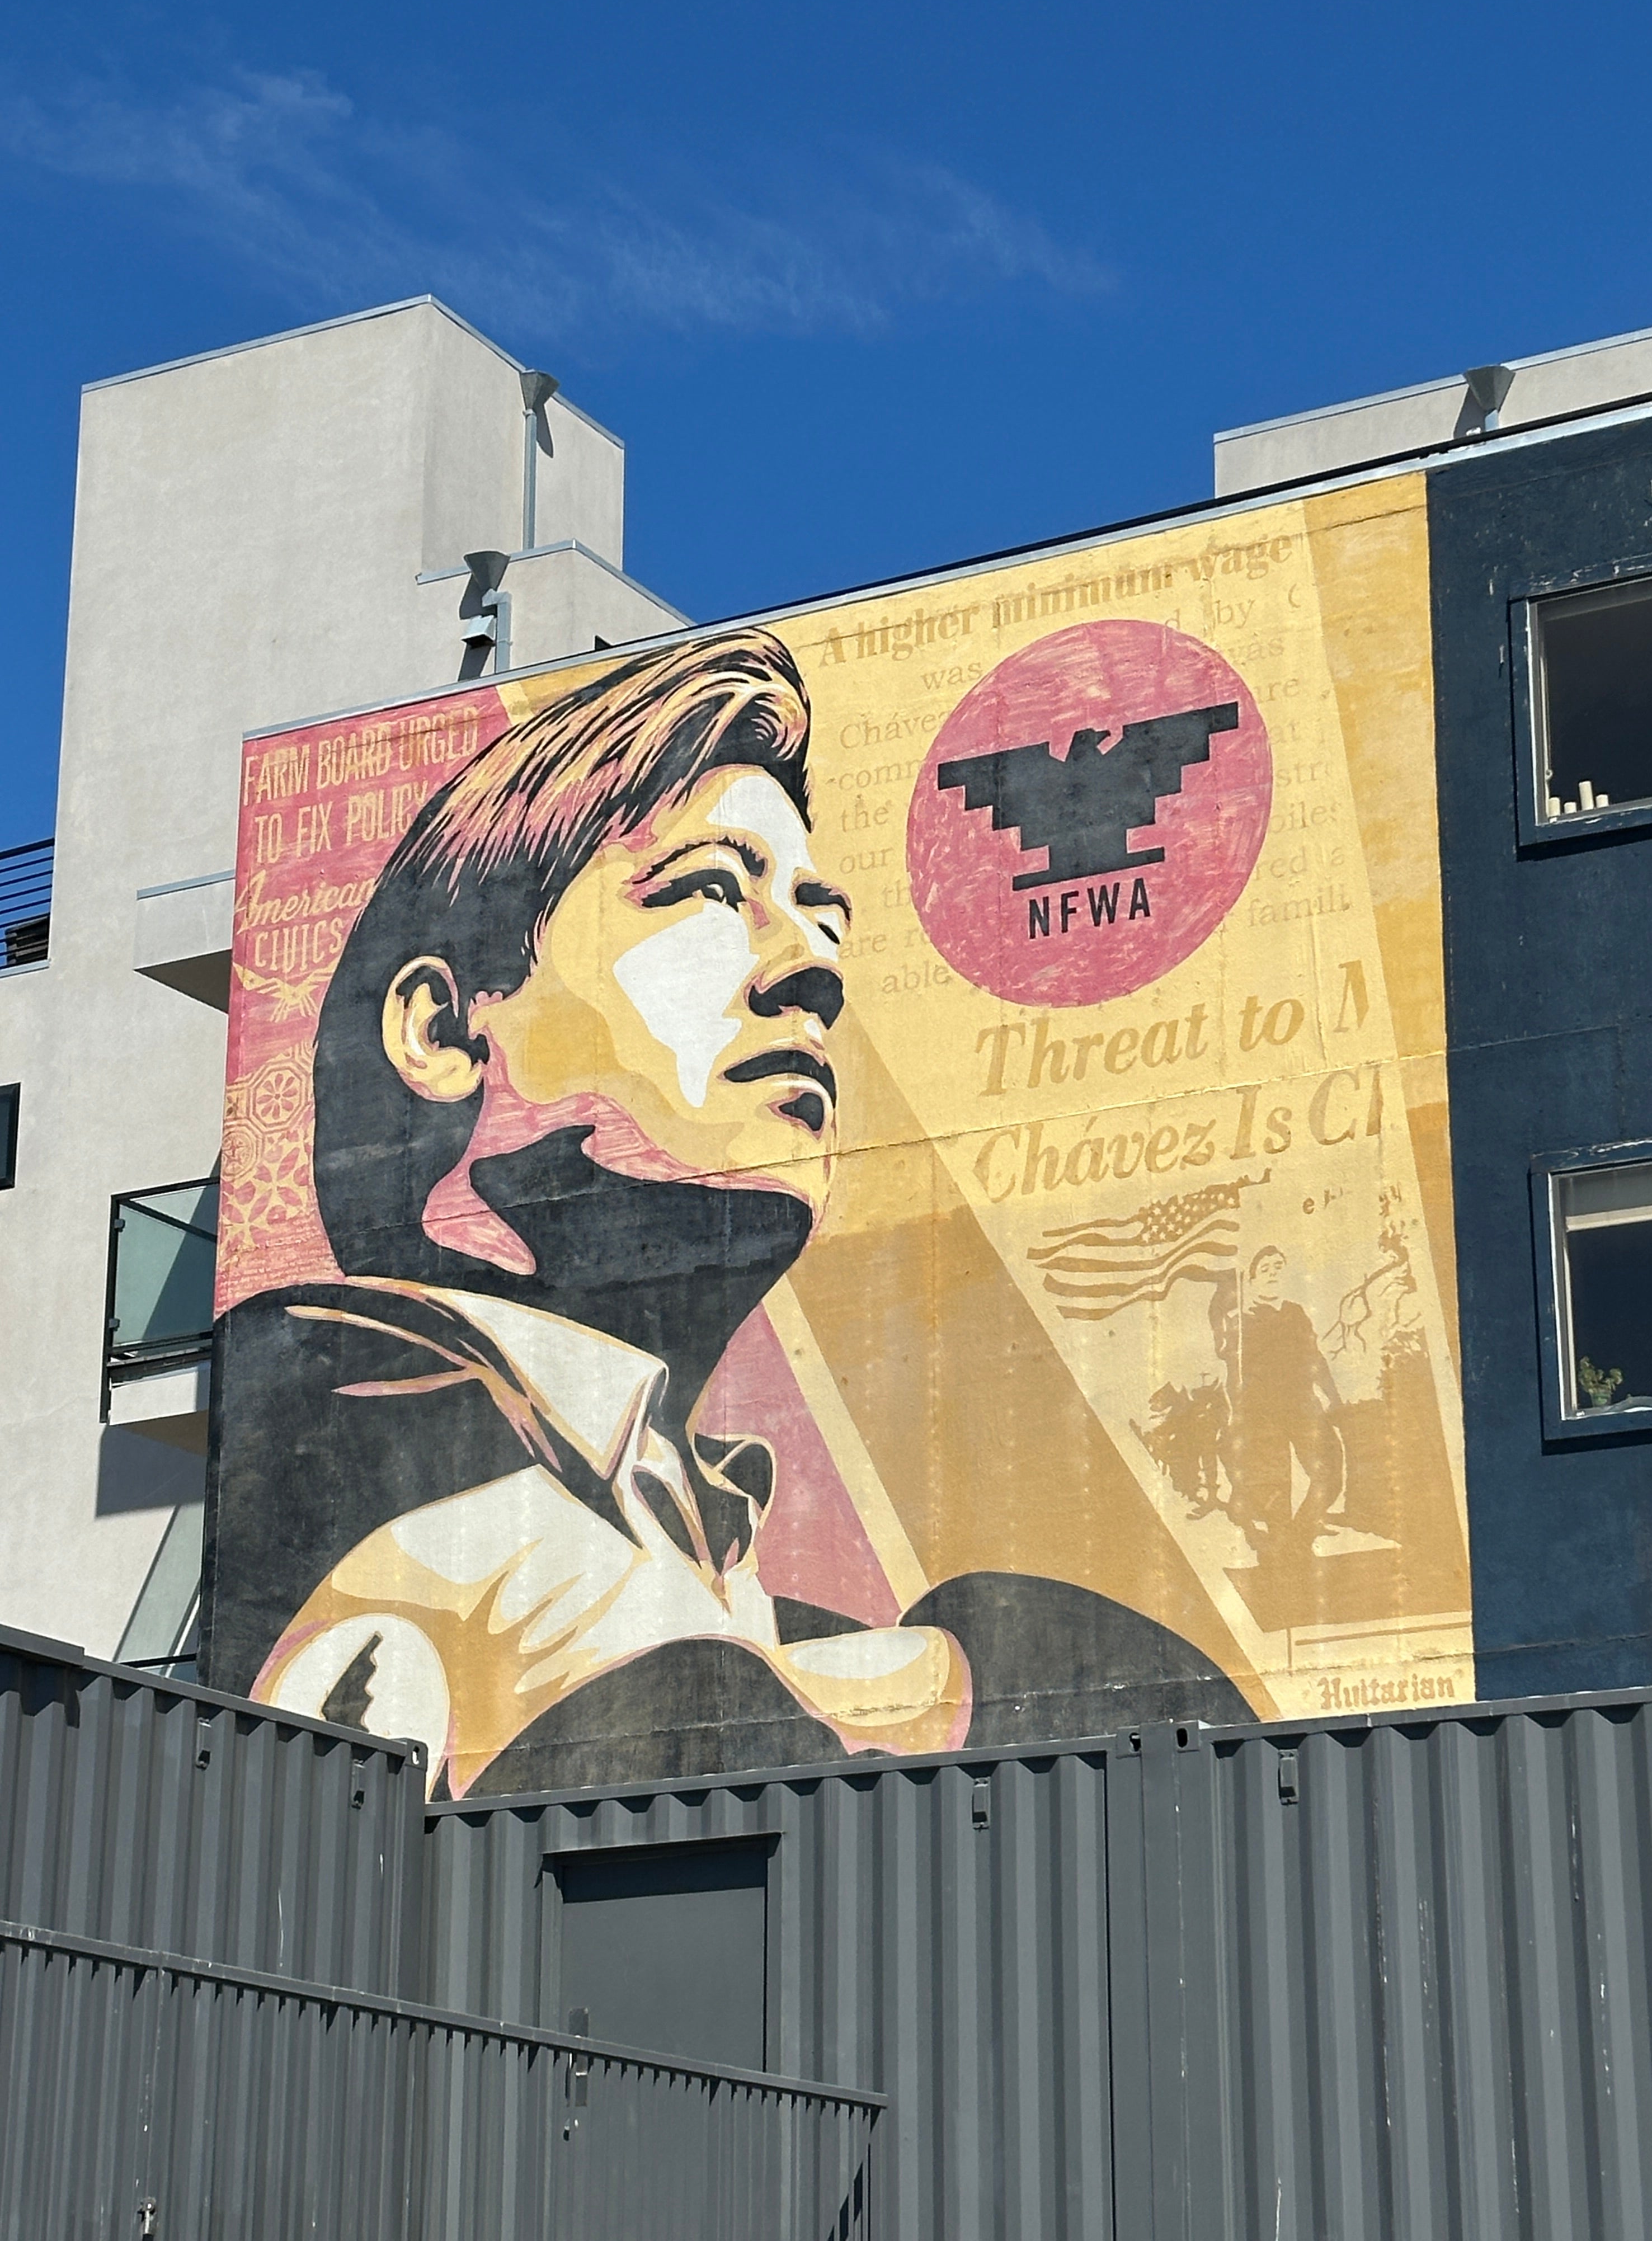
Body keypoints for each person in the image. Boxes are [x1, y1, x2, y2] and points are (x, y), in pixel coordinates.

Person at [207, 630, 1247, 1795]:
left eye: (824, 914)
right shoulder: (351, 1454)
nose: (814, 963)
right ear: (445, 1033)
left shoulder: (739, 1581)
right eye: (711, 889)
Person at [1213, 1246, 1345, 1545]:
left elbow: (1315, 1358)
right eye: (1266, 1269)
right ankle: (1281, 1548)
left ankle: (1300, 1535)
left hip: (1303, 1406)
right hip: (1262, 1412)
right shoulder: (1240, 1322)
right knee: (1274, 1487)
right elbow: (1234, 1373)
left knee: (1330, 1473)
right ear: (1253, 1279)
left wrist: (1334, 1398)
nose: (1273, 1273)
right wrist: (1237, 1413)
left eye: (1279, 1267)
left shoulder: (1296, 1313)